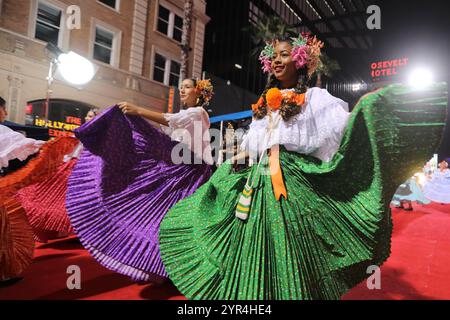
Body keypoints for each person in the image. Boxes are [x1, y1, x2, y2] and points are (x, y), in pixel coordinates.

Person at [158, 33, 448, 299]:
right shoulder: (265, 104)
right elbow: (254, 144)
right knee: (253, 247)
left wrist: (366, 109)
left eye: (284, 54)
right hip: (258, 182)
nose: (276, 60)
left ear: (300, 61)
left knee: (291, 251)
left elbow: (342, 131)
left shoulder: (316, 98)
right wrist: (235, 159)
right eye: (274, 56)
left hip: (296, 183)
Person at [65, 78, 214, 282]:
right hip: (178, 170)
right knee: (161, 216)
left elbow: (171, 120)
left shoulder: (198, 113)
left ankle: (183, 266)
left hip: (193, 174)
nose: (182, 90)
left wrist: (138, 111)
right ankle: (160, 264)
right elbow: (170, 128)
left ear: (199, 92)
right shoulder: (185, 115)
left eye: (187, 87)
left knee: (179, 221)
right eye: (181, 87)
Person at [16, 109, 100, 242]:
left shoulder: (92, 134)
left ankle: (56, 230)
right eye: (87, 115)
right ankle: (49, 231)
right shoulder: (86, 132)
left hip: (77, 168)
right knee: (49, 197)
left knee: (56, 200)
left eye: (89, 116)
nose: (86, 118)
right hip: (69, 166)